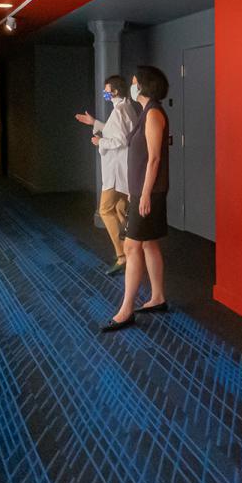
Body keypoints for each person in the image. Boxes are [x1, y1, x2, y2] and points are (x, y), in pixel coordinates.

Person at [102, 65, 170, 332]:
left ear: (143, 85)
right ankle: (158, 297)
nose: (132, 86)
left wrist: (143, 195)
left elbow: (154, 159)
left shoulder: (153, 113)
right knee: (148, 245)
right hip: (144, 192)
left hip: (149, 194)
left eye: (134, 82)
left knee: (131, 247)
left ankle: (126, 309)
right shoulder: (146, 111)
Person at [75, 75, 138, 275]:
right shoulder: (124, 108)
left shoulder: (120, 111)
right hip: (122, 169)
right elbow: (117, 132)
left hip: (116, 171)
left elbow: (119, 140)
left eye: (106, 89)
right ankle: (130, 250)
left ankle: (122, 256)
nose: (104, 92)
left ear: (115, 91)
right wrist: (94, 123)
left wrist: (99, 142)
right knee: (120, 209)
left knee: (105, 210)